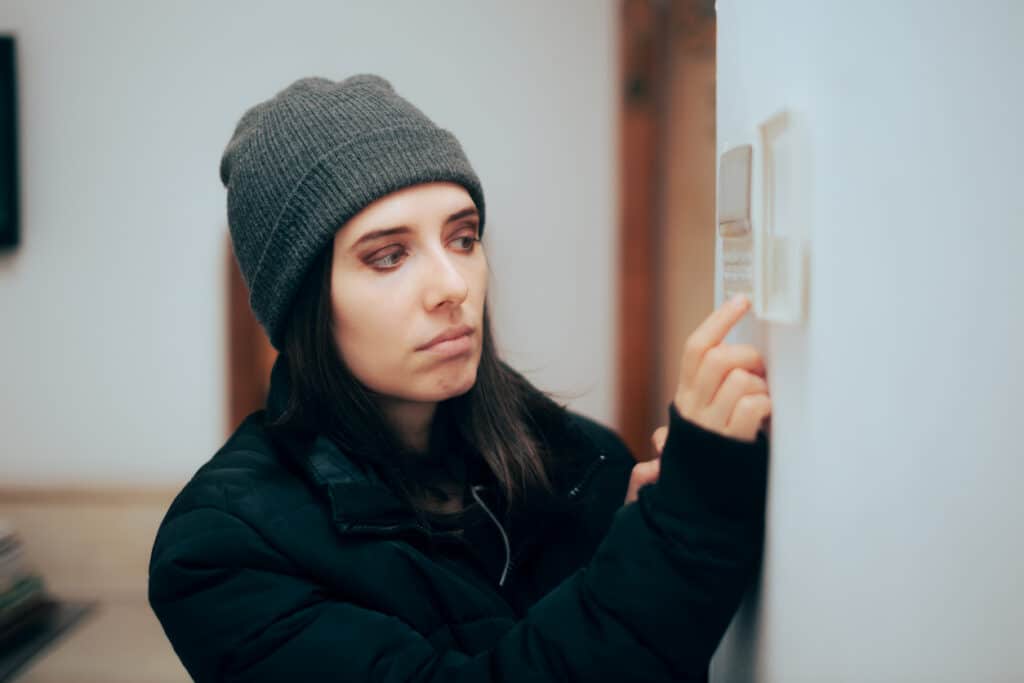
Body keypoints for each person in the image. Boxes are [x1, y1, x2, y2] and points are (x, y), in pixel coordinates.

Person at [147, 74, 772, 682]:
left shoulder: (584, 460)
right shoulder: (220, 549)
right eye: (388, 256)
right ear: (303, 304)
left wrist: (653, 533)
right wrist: (673, 539)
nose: (452, 287)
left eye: (464, 238)